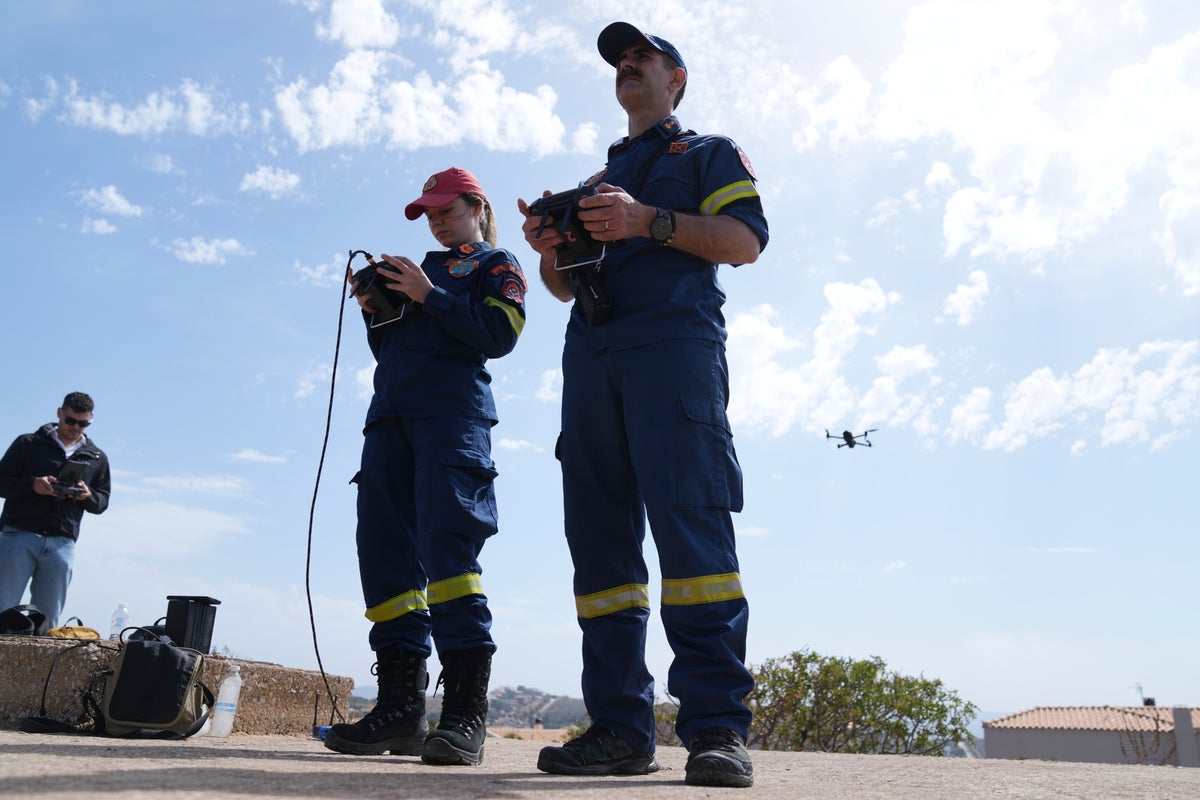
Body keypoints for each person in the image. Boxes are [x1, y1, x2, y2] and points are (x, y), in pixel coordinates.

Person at [518, 22, 768, 789]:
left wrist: (648, 220)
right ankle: (620, 730)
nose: (627, 66)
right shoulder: (594, 181)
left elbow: (745, 240)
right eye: (620, 61)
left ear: (676, 78)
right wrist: (550, 247)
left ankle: (717, 728)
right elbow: (561, 288)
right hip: (592, 364)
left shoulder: (707, 153)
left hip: (674, 356)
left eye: (642, 57)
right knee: (601, 554)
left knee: (693, 539)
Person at [324, 167, 527, 767]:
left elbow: (500, 334)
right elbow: (390, 349)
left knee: (448, 556)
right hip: (390, 419)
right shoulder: (416, 269)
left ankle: (463, 714)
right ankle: (400, 710)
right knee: (384, 557)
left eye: (445, 211)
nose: (436, 222)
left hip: (452, 419)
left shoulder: (496, 264)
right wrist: (375, 306)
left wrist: (428, 296)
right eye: (429, 214)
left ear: (477, 207)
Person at [0, 392, 111, 629]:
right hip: (19, 535)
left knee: (49, 619)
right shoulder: (27, 443)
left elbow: (102, 501)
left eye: (83, 423)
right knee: (3, 606)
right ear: (60, 413)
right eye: (70, 421)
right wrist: (33, 484)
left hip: (62, 543)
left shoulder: (97, 457)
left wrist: (87, 495)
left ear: (90, 420)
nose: (75, 427)